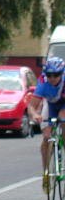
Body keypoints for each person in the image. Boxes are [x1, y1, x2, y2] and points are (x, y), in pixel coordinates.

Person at [27, 56, 65, 192]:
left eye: (56, 75)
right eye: (49, 75)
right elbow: (31, 106)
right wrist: (35, 115)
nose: (52, 78)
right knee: (47, 137)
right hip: (50, 104)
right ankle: (46, 172)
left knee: (63, 120)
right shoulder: (43, 83)